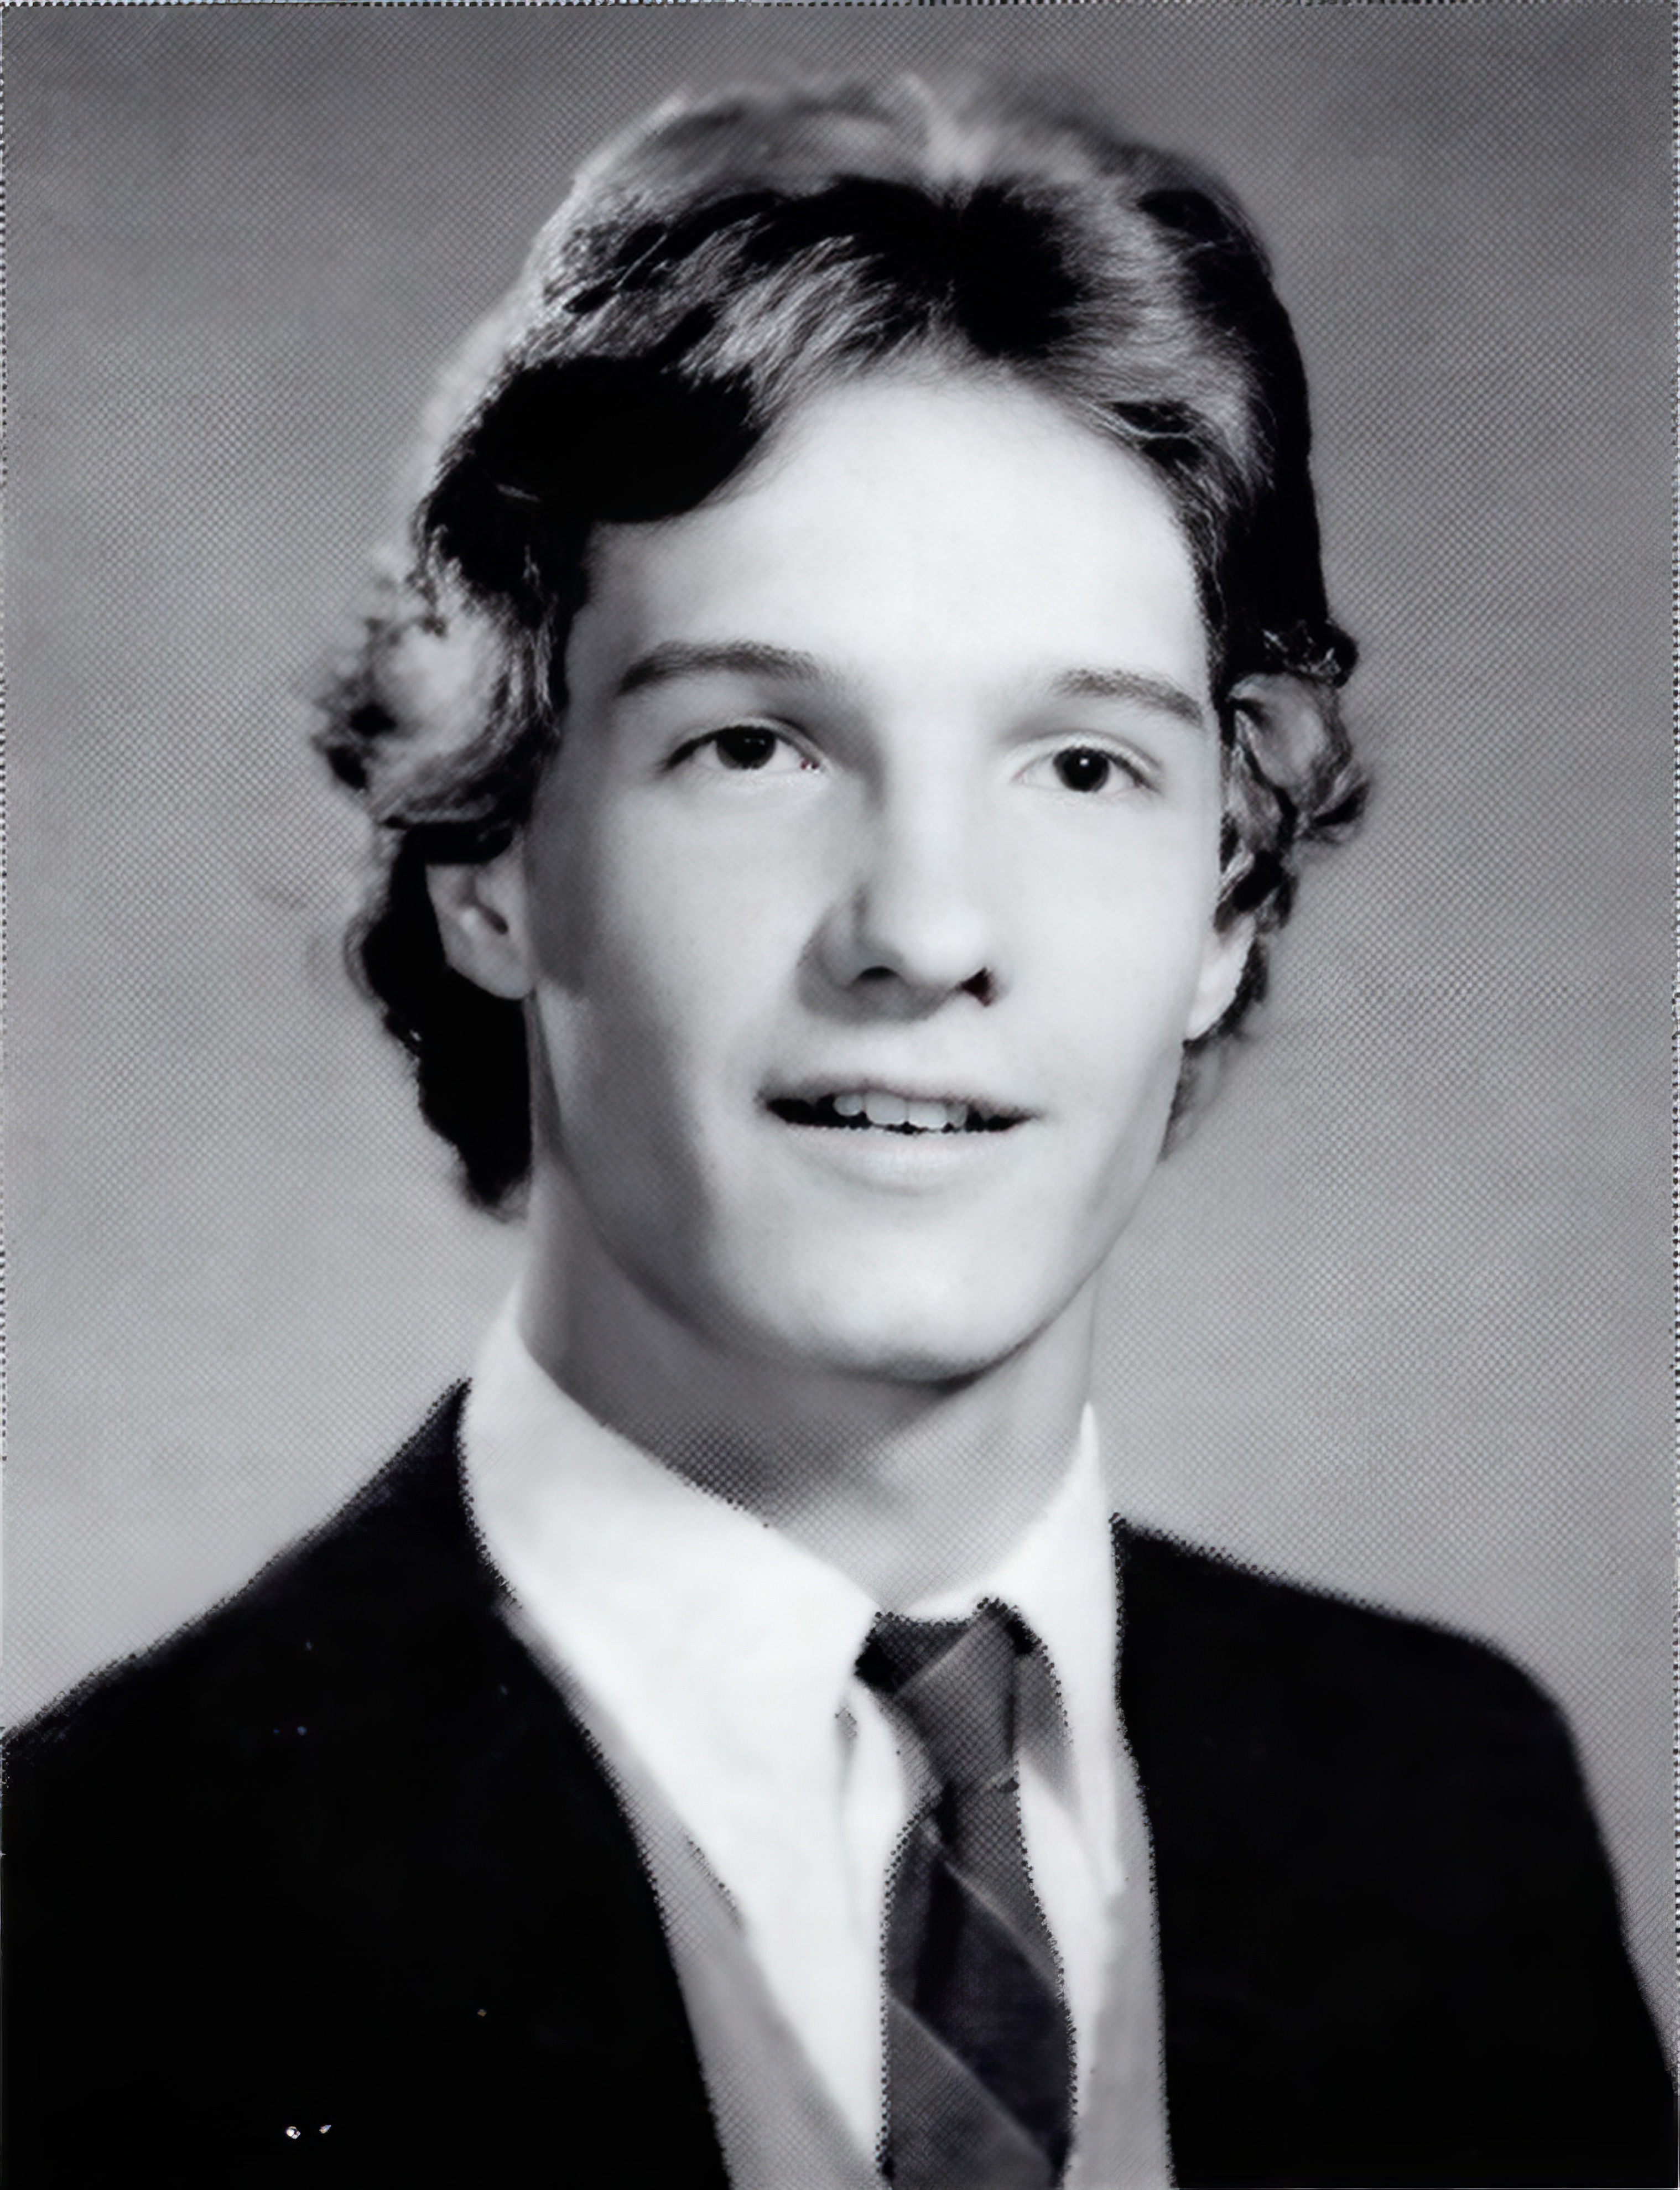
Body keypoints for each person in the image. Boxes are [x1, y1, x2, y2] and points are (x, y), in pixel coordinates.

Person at [6, 75, 1672, 2190]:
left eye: (1083, 767)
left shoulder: (1455, 1817)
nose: (926, 930)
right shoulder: (80, 1925)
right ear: (492, 852)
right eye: (757, 746)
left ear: (1229, 906)